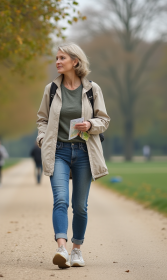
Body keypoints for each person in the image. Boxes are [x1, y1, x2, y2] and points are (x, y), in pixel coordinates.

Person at [36, 42, 110, 269]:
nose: (57, 61)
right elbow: (42, 120)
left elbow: (104, 121)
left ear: (75, 61)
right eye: (57, 58)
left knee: (80, 206)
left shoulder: (92, 90)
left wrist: (90, 124)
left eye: (62, 58)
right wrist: (42, 140)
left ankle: (76, 251)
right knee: (60, 200)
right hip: (58, 151)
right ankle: (61, 249)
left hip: (84, 152)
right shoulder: (51, 89)